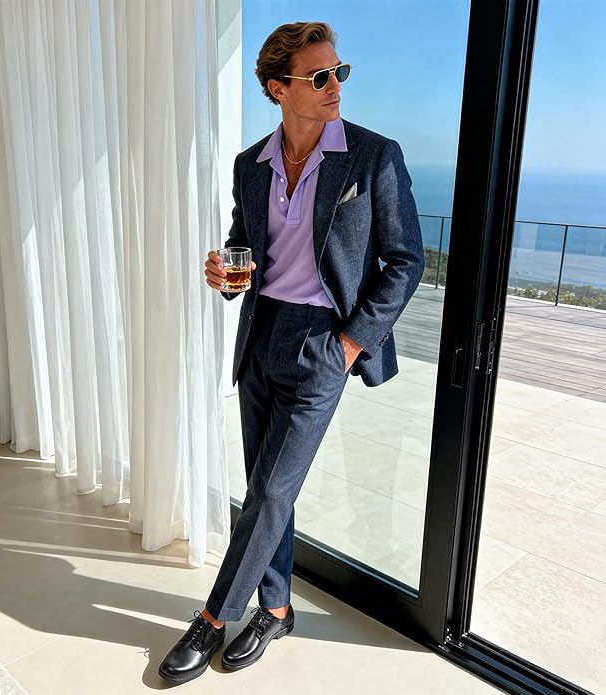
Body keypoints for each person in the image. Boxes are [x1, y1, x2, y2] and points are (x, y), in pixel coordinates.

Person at [158, 21, 424, 683]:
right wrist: (225, 275)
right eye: (319, 76)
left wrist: (350, 343)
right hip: (261, 332)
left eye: (339, 72)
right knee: (266, 490)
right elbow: (243, 245)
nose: (336, 86)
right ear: (279, 89)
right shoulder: (250, 164)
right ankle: (275, 608)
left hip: (323, 342)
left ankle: (212, 617)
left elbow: (405, 261)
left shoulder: (373, 156)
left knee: (273, 490)